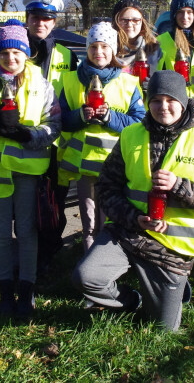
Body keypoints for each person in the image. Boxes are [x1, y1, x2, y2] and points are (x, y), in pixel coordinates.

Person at [72, 70, 194, 331]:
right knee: (86, 277)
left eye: (171, 100)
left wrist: (179, 186)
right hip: (128, 233)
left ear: (183, 102)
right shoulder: (130, 134)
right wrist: (134, 218)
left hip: (172, 249)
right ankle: (131, 301)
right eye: (156, 100)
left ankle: (174, 290)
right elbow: (106, 187)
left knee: (163, 329)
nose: (163, 107)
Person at [0, 19, 60, 318]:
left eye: (17, 52)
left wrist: (27, 135)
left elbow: (53, 126)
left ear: (27, 53)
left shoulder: (42, 86)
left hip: (27, 173)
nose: (11, 58)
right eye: (4, 53)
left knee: (27, 232)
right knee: (1, 235)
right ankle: (5, 292)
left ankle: (27, 292)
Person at [59, 22, 146, 250]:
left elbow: (139, 122)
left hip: (115, 167)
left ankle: (106, 264)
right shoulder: (70, 81)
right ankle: (88, 265)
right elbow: (61, 120)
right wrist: (80, 116)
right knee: (89, 224)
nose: (99, 52)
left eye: (105, 47)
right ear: (87, 49)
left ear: (114, 50)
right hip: (85, 167)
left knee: (109, 221)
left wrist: (110, 117)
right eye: (93, 46)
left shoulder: (128, 83)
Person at [23, 0, 79, 272]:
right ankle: (30, 255)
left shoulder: (67, 55)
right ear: (27, 19)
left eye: (47, 19)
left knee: (54, 202)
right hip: (24, 140)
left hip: (57, 143)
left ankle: (51, 255)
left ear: (54, 22)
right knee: (27, 205)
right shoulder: (16, 49)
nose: (41, 23)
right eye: (36, 17)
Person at [111, 0, 162, 78]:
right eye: (124, 20)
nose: (129, 24)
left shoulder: (154, 49)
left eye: (135, 20)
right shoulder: (106, 49)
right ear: (115, 22)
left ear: (142, 22)